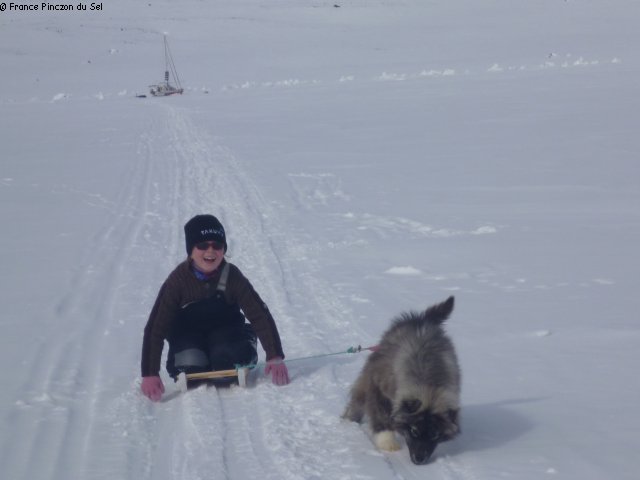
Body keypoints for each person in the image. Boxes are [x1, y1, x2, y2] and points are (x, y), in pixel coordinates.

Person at [140, 214, 289, 401]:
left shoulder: (232, 276)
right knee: (189, 366)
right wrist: (150, 373)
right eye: (202, 245)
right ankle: (198, 357)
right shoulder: (177, 281)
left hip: (226, 331)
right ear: (191, 250)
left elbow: (259, 313)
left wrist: (274, 355)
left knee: (226, 363)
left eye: (217, 245)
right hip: (189, 334)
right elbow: (156, 326)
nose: (210, 251)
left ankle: (244, 342)